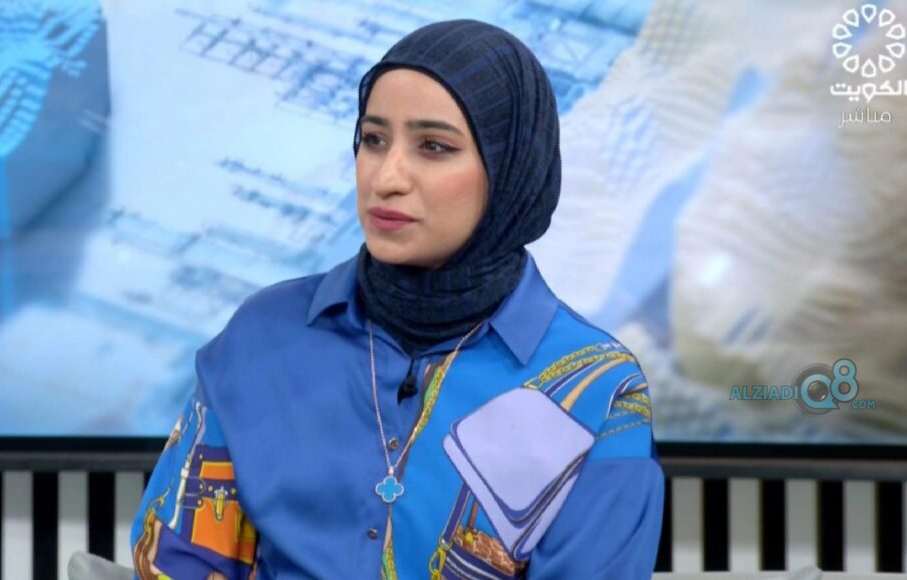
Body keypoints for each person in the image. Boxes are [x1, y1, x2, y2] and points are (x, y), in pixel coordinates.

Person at [130, 19, 664, 580]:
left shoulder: (596, 387)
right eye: (373, 140)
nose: (387, 177)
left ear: (510, 170)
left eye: (434, 147)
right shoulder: (262, 336)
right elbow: (178, 563)